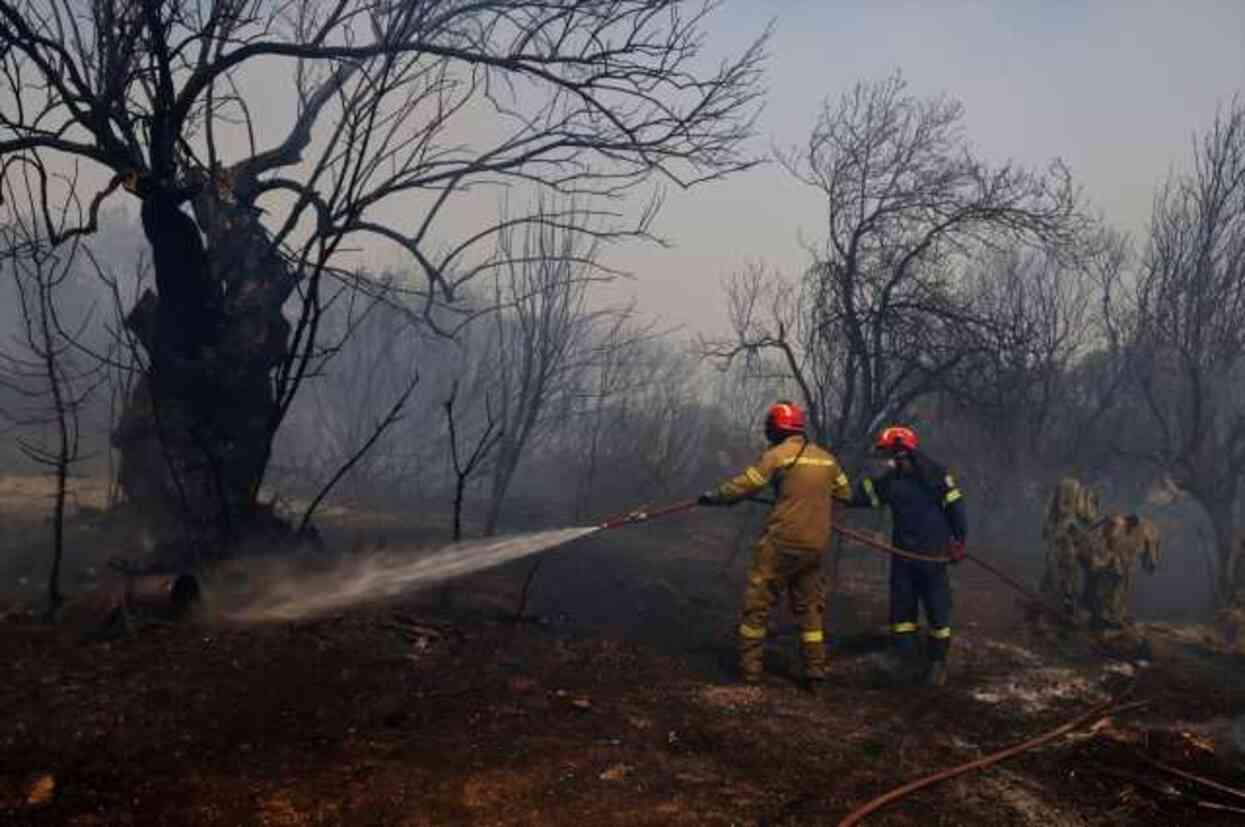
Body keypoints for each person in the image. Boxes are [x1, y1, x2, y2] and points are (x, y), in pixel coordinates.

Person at [698, 401, 852, 693]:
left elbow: (746, 485)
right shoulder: (827, 459)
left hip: (782, 543)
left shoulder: (777, 456)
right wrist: (814, 506)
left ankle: (750, 673)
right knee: (809, 610)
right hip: (815, 546)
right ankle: (815, 673)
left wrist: (715, 496)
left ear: (776, 428)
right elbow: (845, 492)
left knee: (758, 604)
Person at [843, 425, 966, 687]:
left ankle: (935, 664)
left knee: (933, 610)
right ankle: (912, 662)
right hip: (910, 555)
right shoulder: (906, 479)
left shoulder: (932, 477)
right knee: (907, 614)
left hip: (926, 556)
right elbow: (861, 497)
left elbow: (956, 508)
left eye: (888, 454)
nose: (886, 461)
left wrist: (959, 541)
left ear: (900, 453)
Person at [1039, 478, 1101, 622]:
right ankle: (1063, 603)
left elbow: (1087, 518)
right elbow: (1088, 517)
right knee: (1063, 571)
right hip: (1065, 539)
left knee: (1067, 571)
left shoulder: (1073, 495)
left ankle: (1068, 603)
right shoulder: (1077, 495)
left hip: (1068, 539)